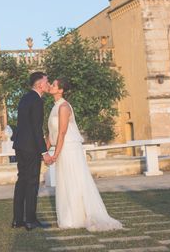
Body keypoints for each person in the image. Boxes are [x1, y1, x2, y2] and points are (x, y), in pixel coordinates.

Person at [46, 78, 122, 231]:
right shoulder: (55, 107)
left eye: (54, 85)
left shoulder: (64, 107)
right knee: (65, 180)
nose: (51, 86)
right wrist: (44, 150)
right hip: (62, 147)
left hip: (69, 148)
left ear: (60, 90)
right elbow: (51, 133)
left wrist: (55, 154)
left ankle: (76, 218)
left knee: (74, 179)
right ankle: (70, 217)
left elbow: (62, 132)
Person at [12, 71, 54, 231]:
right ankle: (30, 220)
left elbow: (23, 125)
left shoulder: (24, 98)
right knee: (31, 183)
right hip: (30, 148)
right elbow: (36, 128)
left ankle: (17, 219)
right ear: (39, 85)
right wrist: (44, 152)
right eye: (47, 81)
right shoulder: (37, 100)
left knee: (21, 181)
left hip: (20, 146)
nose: (48, 84)